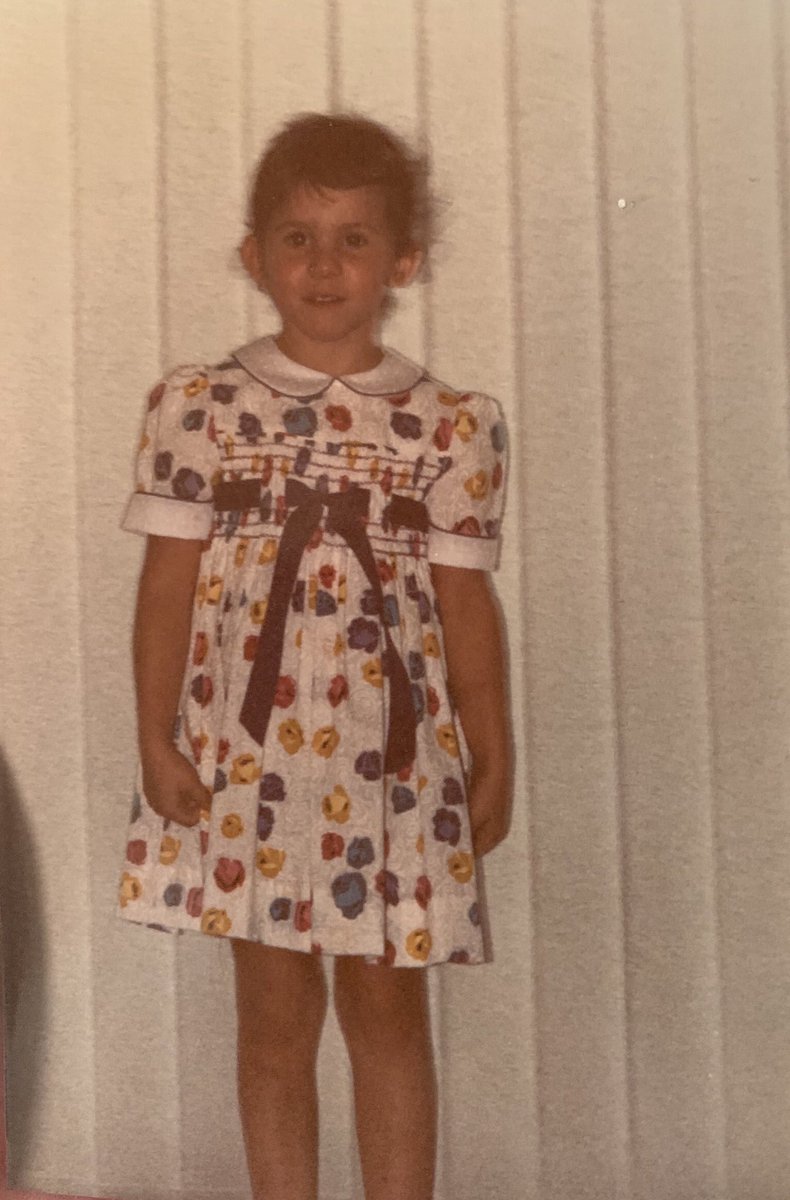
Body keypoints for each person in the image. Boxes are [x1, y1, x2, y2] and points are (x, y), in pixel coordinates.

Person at [117, 111, 512, 1200]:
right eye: (297, 238)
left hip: (391, 767)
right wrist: (155, 739)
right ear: (255, 257)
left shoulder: (448, 425)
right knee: (274, 1016)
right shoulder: (201, 410)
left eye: (352, 238)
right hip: (246, 763)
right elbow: (166, 589)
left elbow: (467, 604)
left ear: (403, 259)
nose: (324, 264)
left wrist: (495, 752)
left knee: (388, 1012)